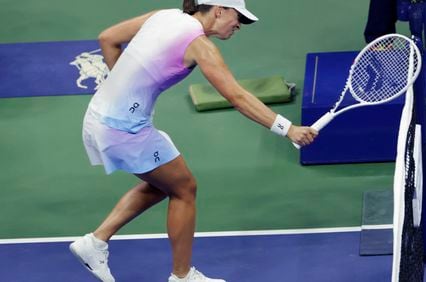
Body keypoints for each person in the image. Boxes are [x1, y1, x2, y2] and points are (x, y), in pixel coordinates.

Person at [69, 0, 319, 281]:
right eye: (238, 17)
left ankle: (96, 242)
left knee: (166, 182)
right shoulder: (200, 45)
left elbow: (108, 38)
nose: (239, 25)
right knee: (184, 189)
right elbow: (236, 96)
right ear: (219, 9)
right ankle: (182, 276)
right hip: (122, 128)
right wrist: (288, 129)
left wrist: (122, 88)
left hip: (98, 115)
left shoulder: (162, 16)